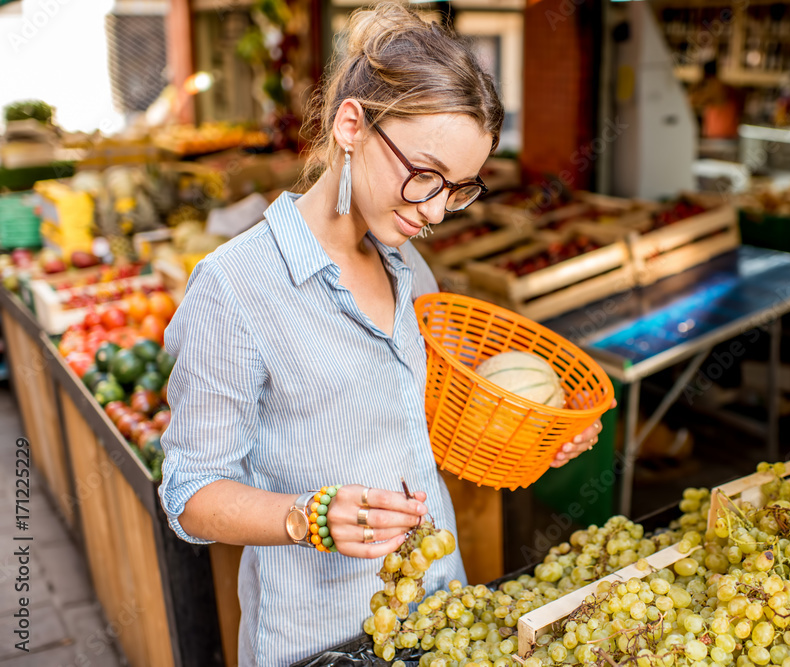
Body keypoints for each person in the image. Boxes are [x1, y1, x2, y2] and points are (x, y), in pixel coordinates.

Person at [157, 4, 606, 666]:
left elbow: (428, 420)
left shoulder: (408, 266)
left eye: (457, 189)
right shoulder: (234, 287)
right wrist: (308, 517)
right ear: (351, 126)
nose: (433, 210)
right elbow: (190, 494)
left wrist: (540, 429)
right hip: (317, 638)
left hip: (440, 611)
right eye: (424, 174)